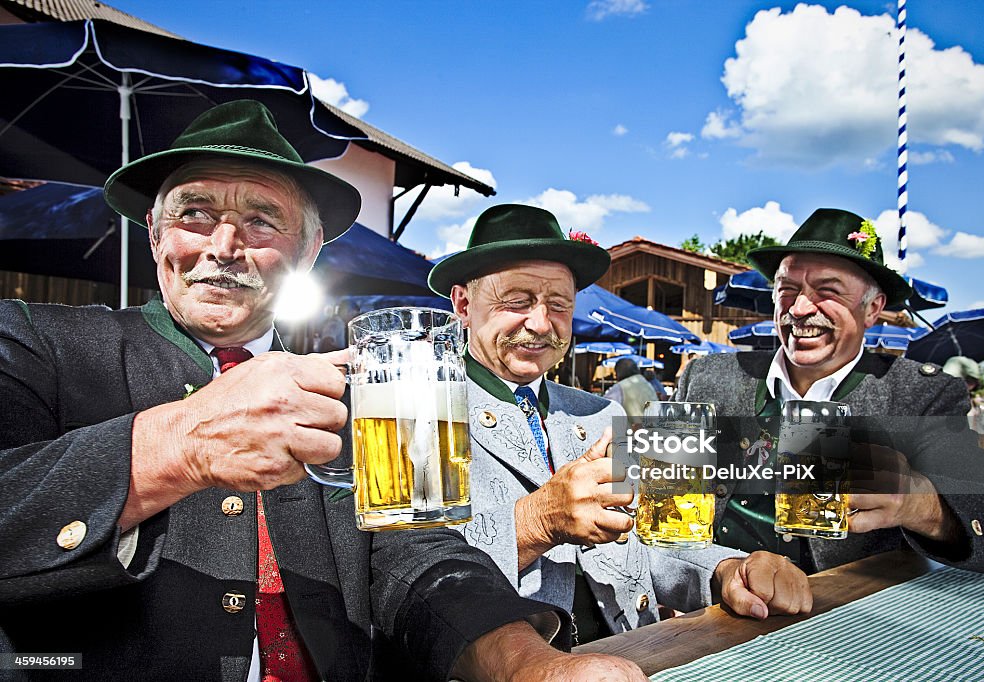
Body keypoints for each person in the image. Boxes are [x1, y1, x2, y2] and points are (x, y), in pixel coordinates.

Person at [0, 102, 645, 681]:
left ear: (307, 253)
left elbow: (418, 550)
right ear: (155, 233)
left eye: (261, 221)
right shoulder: (35, 342)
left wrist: (522, 664)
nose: (224, 245)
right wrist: (179, 444)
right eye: (195, 213)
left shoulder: (605, 408)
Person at [428, 204, 811, 647]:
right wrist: (536, 522)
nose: (540, 323)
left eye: (559, 304)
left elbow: (655, 541)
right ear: (462, 303)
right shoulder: (413, 416)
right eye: (516, 301)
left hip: (635, 654)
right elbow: (403, 568)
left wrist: (729, 570)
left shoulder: (604, 415)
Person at [674, 207, 984, 574]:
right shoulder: (708, 375)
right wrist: (622, 463)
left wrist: (921, 504)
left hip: (840, 617)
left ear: (872, 309)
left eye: (828, 291)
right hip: (709, 604)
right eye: (787, 289)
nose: (801, 307)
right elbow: (658, 488)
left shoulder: (918, 394)